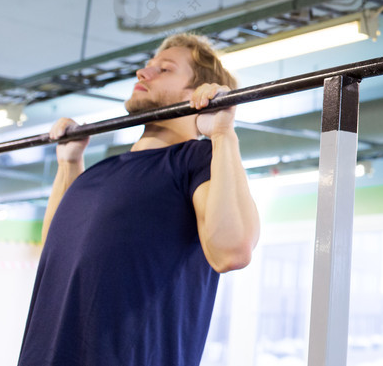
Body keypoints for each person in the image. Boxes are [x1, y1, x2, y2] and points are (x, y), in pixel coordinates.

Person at [17, 33, 261, 366]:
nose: (142, 74)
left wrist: (221, 133)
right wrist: (69, 164)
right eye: (146, 67)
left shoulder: (194, 160)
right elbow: (55, 252)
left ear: (198, 91)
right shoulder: (99, 172)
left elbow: (232, 251)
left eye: (164, 69)